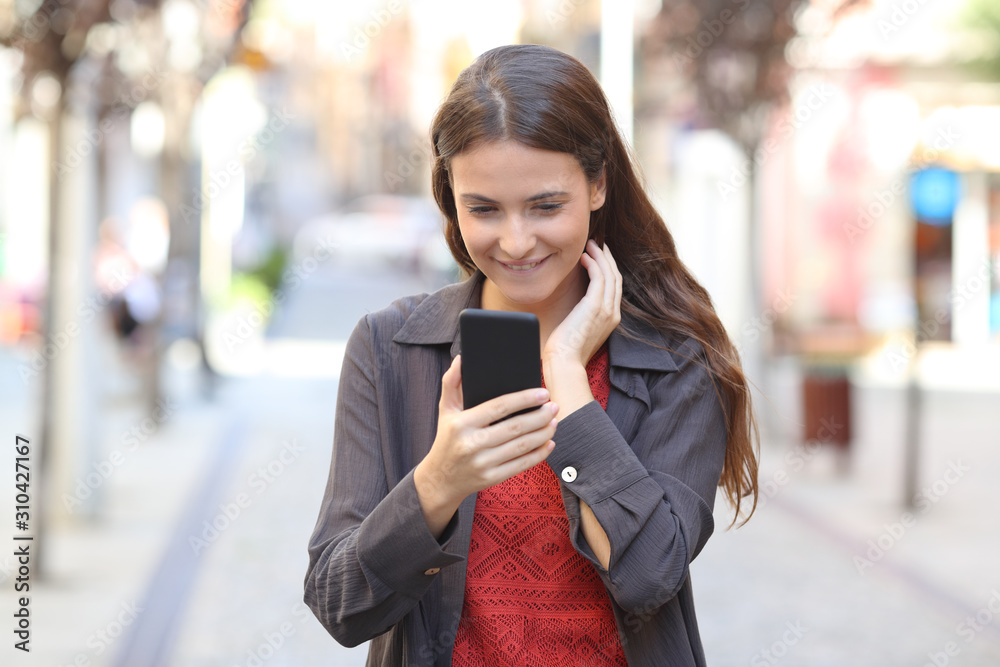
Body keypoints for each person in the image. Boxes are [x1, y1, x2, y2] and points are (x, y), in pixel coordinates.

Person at [304, 43, 759, 666]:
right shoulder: (391, 349)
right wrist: (439, 482)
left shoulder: (676, 358)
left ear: (598, 184)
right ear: (450, 198)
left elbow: (649, 575)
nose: (516, 242)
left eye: (546, 206)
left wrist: (570, 382)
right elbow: (341, 604)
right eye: (483, 209)